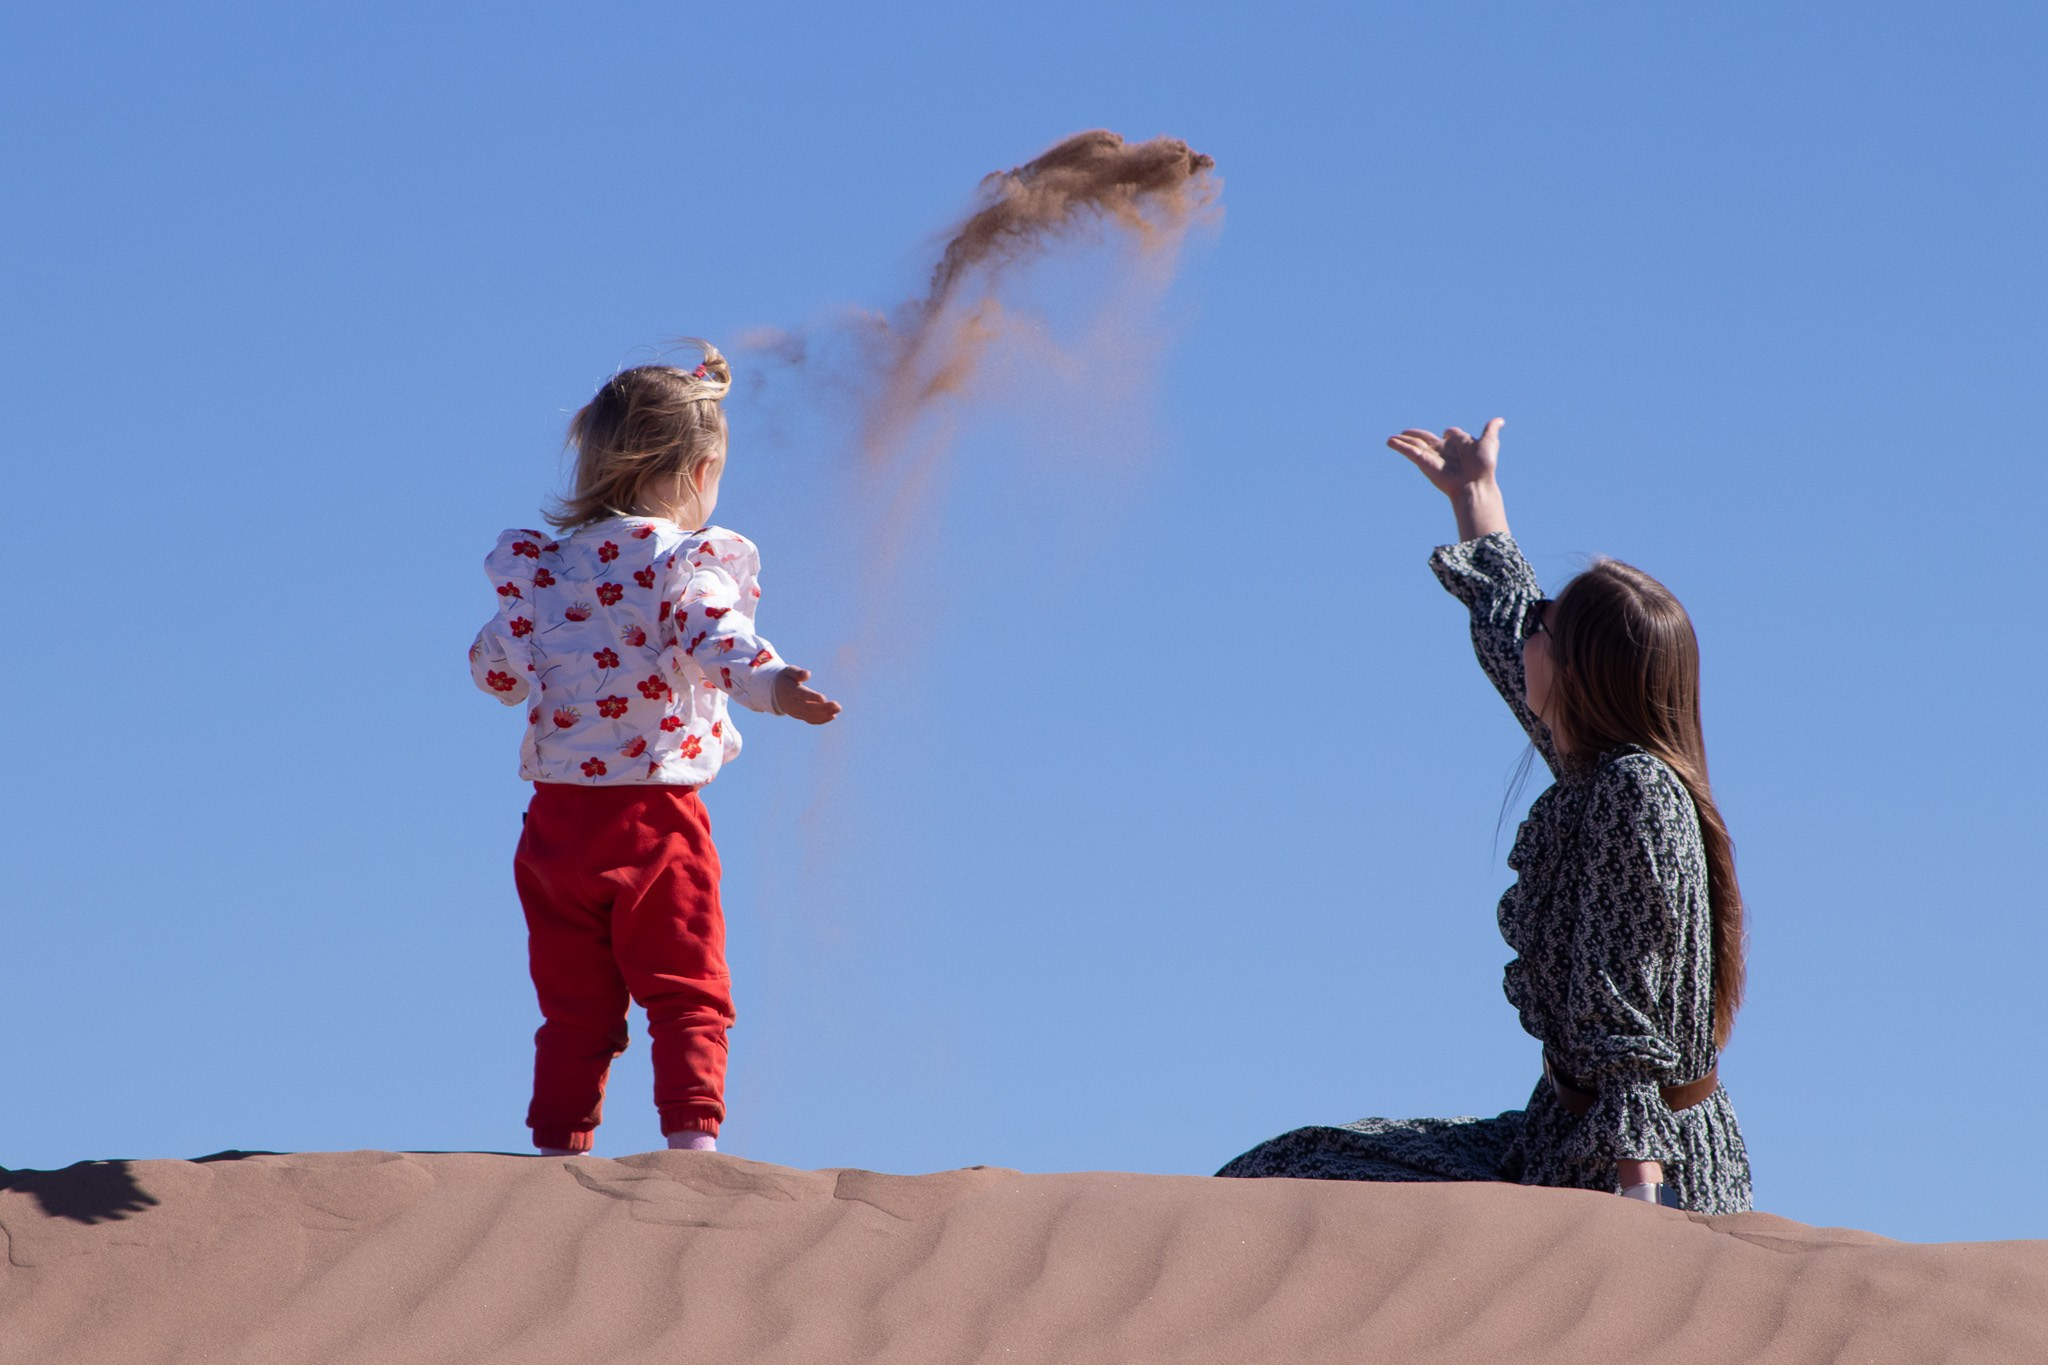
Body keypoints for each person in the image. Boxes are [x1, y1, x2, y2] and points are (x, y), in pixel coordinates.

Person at [1218, 418, 1752, 1213]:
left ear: (1577, 674)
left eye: (1548, 627)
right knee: (1290, 1162)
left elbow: (1630, 1011)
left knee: (1306, 1196)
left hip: (1630, 1164)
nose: (1528, 631)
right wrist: (1478, 497)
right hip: (1556, 1139)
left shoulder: (1634, 793)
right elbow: (1510, 636)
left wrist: (1641, 1205)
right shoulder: (1595, 765)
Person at [469, 341, 841, 1157]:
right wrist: (777, 687)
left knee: (574, 1006)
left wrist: (506, 676)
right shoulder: (680, 563)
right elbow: (718, 636)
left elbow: (496, 663)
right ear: (700, 469)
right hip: (653, 819)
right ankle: (692, 1144)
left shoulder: (544, 568)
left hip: (554, 830)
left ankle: (560, 1147)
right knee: (687, 990)